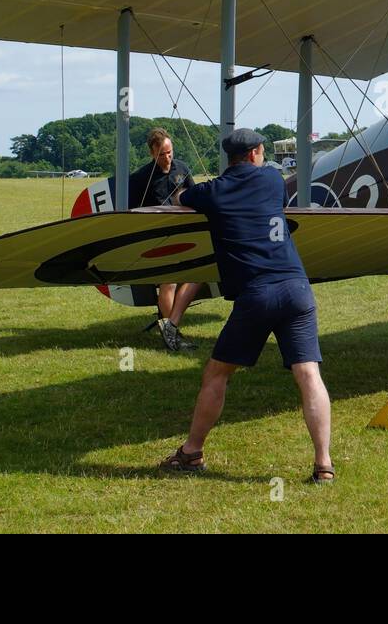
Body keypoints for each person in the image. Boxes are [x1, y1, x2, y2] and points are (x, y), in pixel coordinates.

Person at [159, 128, 334, 483]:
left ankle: (192, 452)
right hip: (297, 287)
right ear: (256, 153)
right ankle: (324, 465)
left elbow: (182, 199)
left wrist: (181, 185)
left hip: (257, 293)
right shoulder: (273, 180)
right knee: (308, 373)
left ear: (231, 157)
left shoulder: (213, 192)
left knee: (217, 374)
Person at [129, 128, 199, 351]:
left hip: (184, 232)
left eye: (169, 152)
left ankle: (171, 322)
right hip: (159, 235)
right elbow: (134, 211)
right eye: (161, 154)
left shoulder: (182, 168)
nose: (167, 158)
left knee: (195, 276)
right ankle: (171, 335)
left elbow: (195, 195)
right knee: (168, 282)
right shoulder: (142, 177)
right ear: (152, 153)